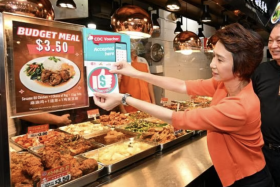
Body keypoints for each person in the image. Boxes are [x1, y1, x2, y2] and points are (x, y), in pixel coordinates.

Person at [93, 23, 274, 187]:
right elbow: (182, 85)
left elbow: (177, 119)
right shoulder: (225, 84)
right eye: (213, 57)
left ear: (241, 67)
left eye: (220, 60)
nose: (212, 64)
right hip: (235, 175)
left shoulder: (240, 106)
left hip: (248, 181)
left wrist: (123, 99)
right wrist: (135, 73)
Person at [252, 22, 280, 186]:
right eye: (270, 41)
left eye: (279, 40)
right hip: (264, 152)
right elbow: (247, 103)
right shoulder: (262, 71)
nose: (273, 46)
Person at [118, 41, 155, 113]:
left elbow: (149, 83)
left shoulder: (143, 61)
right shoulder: (122, 63)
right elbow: (117, 87)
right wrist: (122, 109)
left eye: (135, 43)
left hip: (146, 104)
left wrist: (153, 102)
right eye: (131, 43)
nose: (133, 46)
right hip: (129, 106)